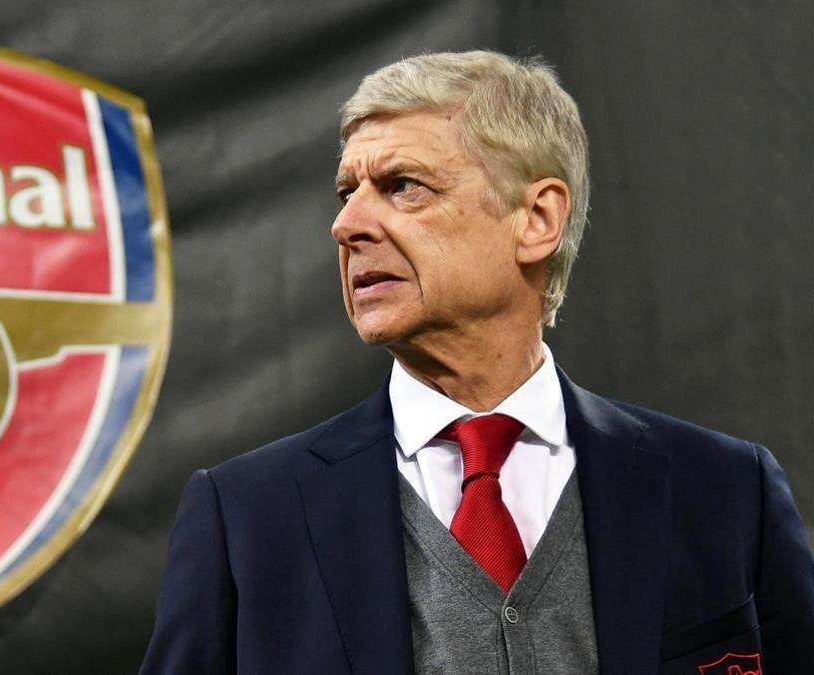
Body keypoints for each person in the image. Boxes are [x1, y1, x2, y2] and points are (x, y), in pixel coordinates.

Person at [141, 51, 814, 674]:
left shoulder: (726, 492)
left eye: (402, 185)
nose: (347, 225)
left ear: (537, 219)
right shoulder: (248, 517)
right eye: (347, 193)